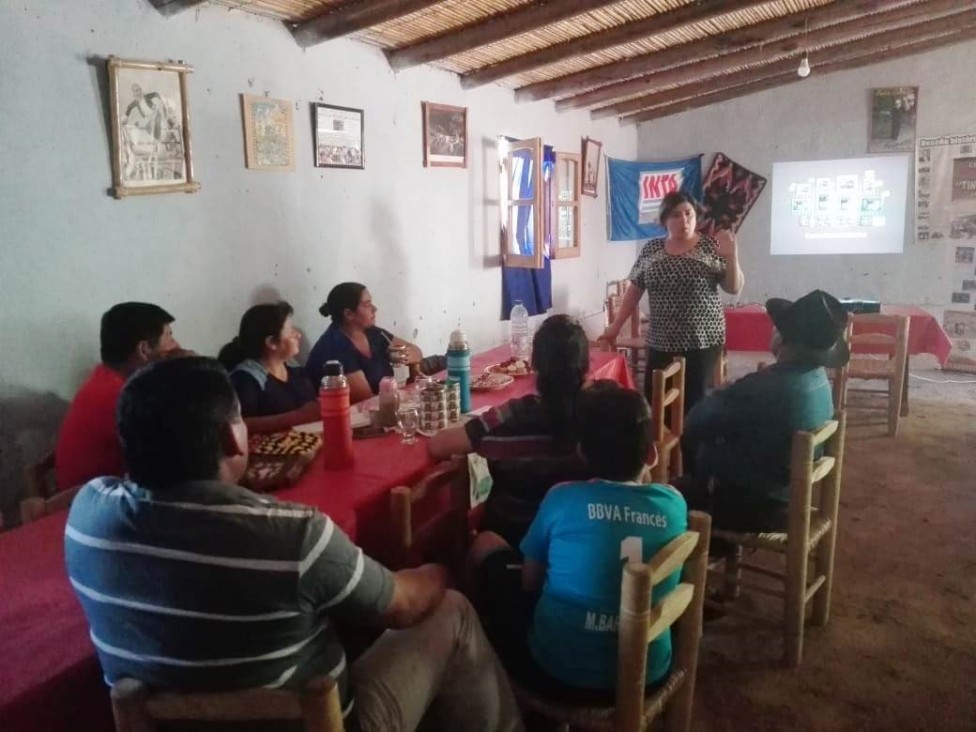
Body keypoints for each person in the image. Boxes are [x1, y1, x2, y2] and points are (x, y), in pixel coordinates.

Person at [64, 357, 522, 731]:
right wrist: (441, 568)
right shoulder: (292, 534)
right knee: (451, 610)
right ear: (231, 437)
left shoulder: (86, 516)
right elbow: (403, 605)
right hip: (317, 722)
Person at [469, 383, 687, 696]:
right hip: (648, 676)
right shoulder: (674, 503)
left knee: (487, 547)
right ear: (652, 453)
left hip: (559, 676)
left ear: (582, 452)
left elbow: (530, 583)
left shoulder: (561, 499)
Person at [678, 289, 848, 532]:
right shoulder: (818, 379)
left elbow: (694, 421)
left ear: (784, 338)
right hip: (787, 495)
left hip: (750, 506)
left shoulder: (764, 387)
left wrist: (722, 393)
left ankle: (704, 550)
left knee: (667, 501)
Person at [428, 314, 593, 546]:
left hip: (510, 538)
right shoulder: (599, 413)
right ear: (586, 366)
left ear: (534, 364)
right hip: (579, 541)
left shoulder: (511, 416)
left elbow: (438, 446)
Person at [601, 190, 744, 413]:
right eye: (676, 215)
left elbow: (732, 287)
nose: (684, 220)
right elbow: (634, 290)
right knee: (656, 401)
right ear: (664, 219)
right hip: (661, 339)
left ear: (697, 216)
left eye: (689, 214)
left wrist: (731, 256)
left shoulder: (709, 246)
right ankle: (661, 446)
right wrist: (616, 326)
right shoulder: (652, 249)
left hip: (702, 339)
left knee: (692, 403)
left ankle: (689, 447)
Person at [54, 302, 179, 490]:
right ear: (144, 350)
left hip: (95, 500)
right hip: (95, 509)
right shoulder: (122, 398)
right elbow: (171, 457)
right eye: (169, 336)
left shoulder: (104, 379)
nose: (176, 345)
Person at [306, 283, 422, 404]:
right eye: (367, 305)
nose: (374, 309)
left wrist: (404, 355)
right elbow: (365, 399)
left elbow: (417, 352)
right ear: (348, 314)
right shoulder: (334, 346)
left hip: (379, 405)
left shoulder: (373, 333)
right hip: (352, 414)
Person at [218, 301, 319, 433]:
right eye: (290, 331)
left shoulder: (293, 367)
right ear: (271, 342)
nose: (297, 335)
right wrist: (297, 417)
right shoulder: (246, 379)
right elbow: (241, 425)